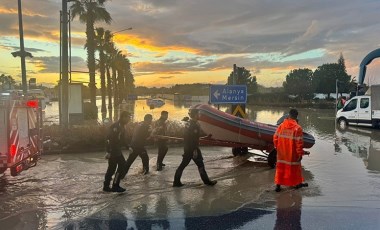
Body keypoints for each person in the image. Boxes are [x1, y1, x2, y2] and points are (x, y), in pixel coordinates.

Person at [173, 109, 217, 187]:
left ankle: (176, 182)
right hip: (193, 149)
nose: (199, 115)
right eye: (198, 114)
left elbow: (191, 137)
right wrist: (194, 150)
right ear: (195, 115)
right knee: (200, 165)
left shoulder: (188, 123)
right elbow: (192, 140)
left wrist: (206, 137)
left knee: (183, 165)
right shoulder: (194, 125)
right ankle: (207, 182)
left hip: (187, 148)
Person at [273, 109, 308, 192]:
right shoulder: (297, 128)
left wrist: (277, 148)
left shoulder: (281, 126)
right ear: (296, 117)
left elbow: (275, 137)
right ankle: (297, 184)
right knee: (295, 169)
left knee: (280, 169)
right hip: (292, 154)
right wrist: (300, 154)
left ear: (288, 115)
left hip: (281, 153)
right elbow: (299, 143)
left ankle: (278, 186)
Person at [103, 111, 131, 193]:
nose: (129, 120)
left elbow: (122, 139)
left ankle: (106, 186)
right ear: (123, 117)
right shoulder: (116, 126)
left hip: (116, 150)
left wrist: (127, 146)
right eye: (128, 117)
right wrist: (108, 151)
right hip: (114, 150)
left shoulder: (122, 126)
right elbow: (108, 139)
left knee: (111, 169)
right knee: (122, 165)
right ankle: (115, 185)